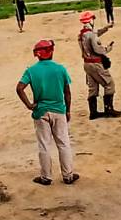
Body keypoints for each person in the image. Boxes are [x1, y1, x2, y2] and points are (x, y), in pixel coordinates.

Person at [16, 39, 78, 185]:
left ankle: (46, 177)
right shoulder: (60, 69)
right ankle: (68, 176)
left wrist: (29, 105)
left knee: (44, 145)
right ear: (51, 52)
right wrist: (68, 110)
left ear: (37, 55)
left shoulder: (31, 70)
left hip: (41, 111)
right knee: (63, 143)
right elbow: (67, 92)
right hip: (59, 110)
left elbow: (19, 88)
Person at [78, 11, 121, 119]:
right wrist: (108, 49)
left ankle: (93, 112)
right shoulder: (91, 35)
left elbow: (95, 33)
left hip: (87, 64)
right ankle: (109, 109)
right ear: (90, 20)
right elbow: (97, 49)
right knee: (109, 84)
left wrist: (106, 28)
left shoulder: (81, 34)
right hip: (96, 63)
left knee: (93, 88)